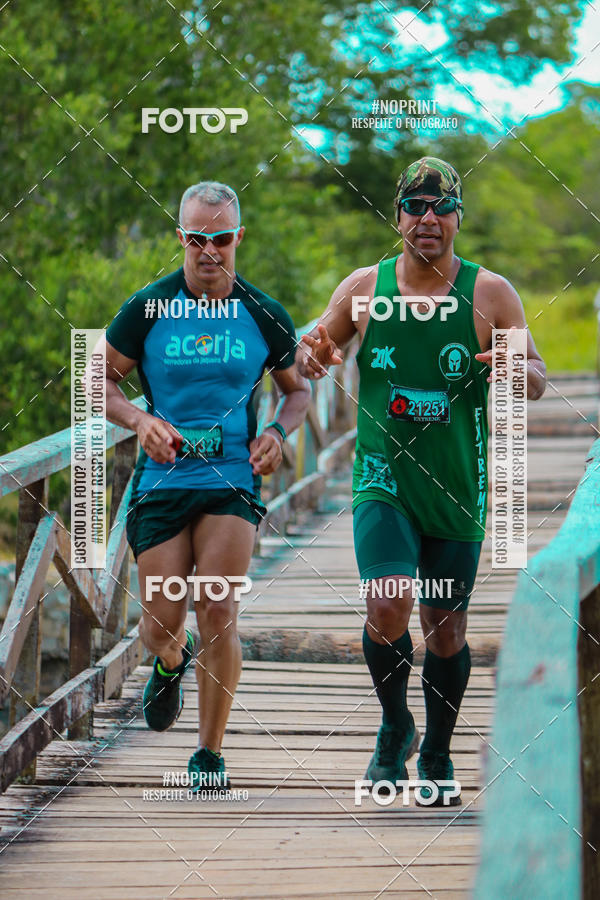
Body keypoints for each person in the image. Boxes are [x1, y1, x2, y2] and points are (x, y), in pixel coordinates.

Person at [297, 157, 546, 805]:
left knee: (446, 630)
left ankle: (435, 751)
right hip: (383, 481)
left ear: (459, 217)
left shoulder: (490, 294)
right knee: (386, 603)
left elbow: (537, 375)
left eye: (441, 208)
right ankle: (392, 729)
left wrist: (519, 369)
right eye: (415, 206)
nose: (427, 219)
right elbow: (315, 348)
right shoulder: (363, 287)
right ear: (397, 215)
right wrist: (312, 355)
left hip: (457, 485)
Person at [101, 181, 310, 788]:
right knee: (161, 624)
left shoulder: (262, 312)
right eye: (197, 239)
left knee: (217, 608)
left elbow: (298, 390)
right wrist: (141, 419)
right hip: (162, 482)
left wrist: (276, 430)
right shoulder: (148, 308)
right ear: (181, 239)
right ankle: (169, 662)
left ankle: (209, 755)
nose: (208, 251)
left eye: (220, 238)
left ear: (237, 238)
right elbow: (97, 380)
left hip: (231, 481)